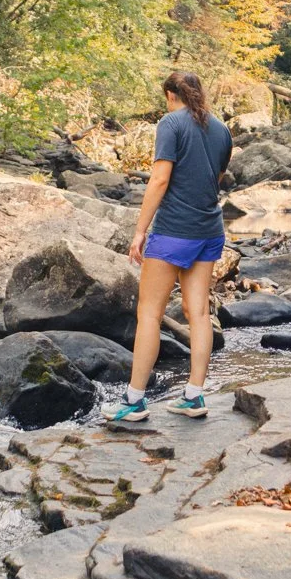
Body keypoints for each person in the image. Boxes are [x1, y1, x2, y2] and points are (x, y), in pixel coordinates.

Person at [103, 71, 234, 427]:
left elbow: (160, 179)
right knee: (199, 313)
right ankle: (194, 395)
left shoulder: (170, 124)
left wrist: (140, 231)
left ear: (171, 95)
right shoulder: (222, 130)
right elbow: (215, 178)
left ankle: (134, 401)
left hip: (174, 231)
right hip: (209, 230)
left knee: (149, 313)